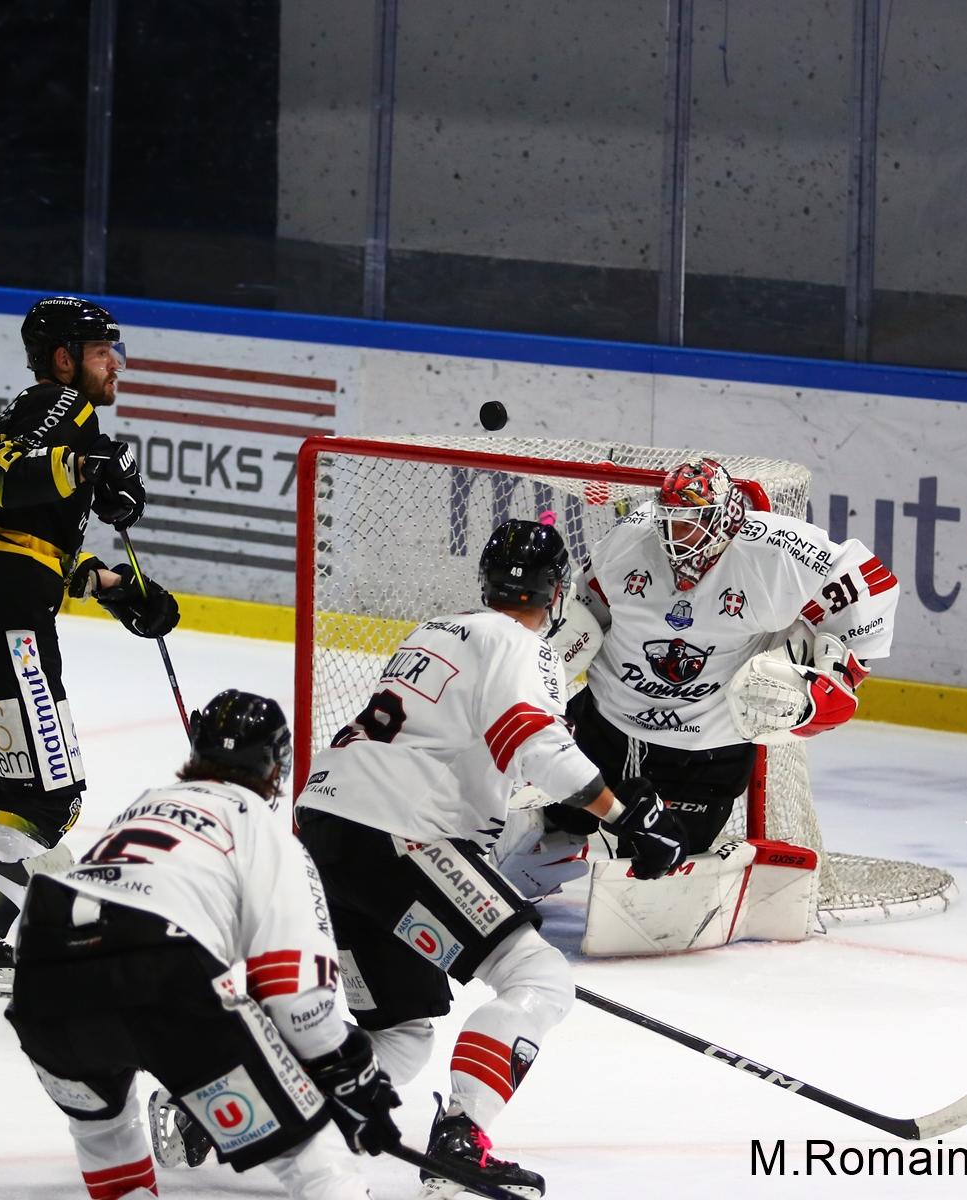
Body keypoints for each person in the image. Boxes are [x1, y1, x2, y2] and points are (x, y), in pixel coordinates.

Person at [285, 518, 684, 1198]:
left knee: (402, 1036)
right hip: (403, 833)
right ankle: (462, 1142)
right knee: (537, 978)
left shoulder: (437, 630)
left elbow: (470, 754)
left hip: (327, 828)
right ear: (557, 594)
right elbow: (534, 747)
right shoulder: (523, 648)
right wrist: (627, 818)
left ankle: (240, 1112)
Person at [7, 689, 401, 1200]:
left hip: (43, 977)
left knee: (103, 1131)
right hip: (161, 972)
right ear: (276, 765)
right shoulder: (262, 829)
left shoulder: (145, 805)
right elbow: (295, 991)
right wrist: (352, 1077)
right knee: (316, 1159)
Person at [0, 295, 180, 995]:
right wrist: (90, 470)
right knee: (52, 795)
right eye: (102, 349)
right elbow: (11, 475)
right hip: (2, 620)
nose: (115, 363)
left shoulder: (37, 417)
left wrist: (112, 584)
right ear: (64, 358)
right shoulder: (61, 407)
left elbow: (19, 539)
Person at [543, 456, 898, 858]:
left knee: (661, 859)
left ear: (725, 517)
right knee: (550, 821)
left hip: (707, 750)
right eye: (670, 519)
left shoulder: (773, 550)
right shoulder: (634, 537)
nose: (675, 533)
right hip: (608, 726)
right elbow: (586, 608)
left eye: (689, 521)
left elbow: (869, 580)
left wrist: (843, 671)